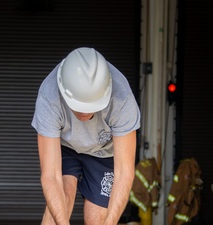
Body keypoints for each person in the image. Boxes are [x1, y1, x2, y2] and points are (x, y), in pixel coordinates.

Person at [31, 47, 141, 225]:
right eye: (78, 106)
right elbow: (50, 175)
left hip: (105, 151)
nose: (83, 113)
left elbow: (124, 173)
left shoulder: (122, 99)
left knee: (97, 217)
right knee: (60, 204)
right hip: (66, 146)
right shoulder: (49, 96)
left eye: (90, 107)